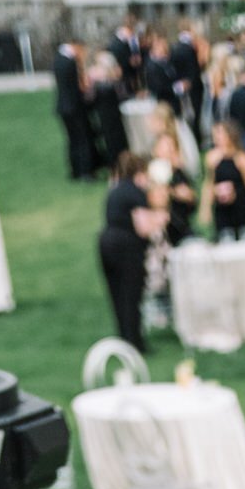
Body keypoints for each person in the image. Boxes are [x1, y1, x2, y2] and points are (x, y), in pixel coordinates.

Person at [98, 154, 164, 350]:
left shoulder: (115, 189)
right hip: (126, 247)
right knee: (131, 293)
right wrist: (159, 219)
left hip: (106, 242)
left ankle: (124, 336)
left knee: (117, 293)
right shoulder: (135, 192)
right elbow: (142, 226)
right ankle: (135, 342)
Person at [207, 118, 245, 239]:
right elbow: (209, 185)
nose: (217, 138)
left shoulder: (243, 157)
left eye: (220, 134)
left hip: (242, 211)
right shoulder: (213, 158)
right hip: (223, 214)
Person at [87, 56, 127, 176]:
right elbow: (123, 97)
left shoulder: (98, 86)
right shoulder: (114, 84)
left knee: (111, 143)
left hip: (105, 118)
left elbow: (89, 100)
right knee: (117, 143)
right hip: (113, 117)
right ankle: (118, 166)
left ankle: (114, 167)